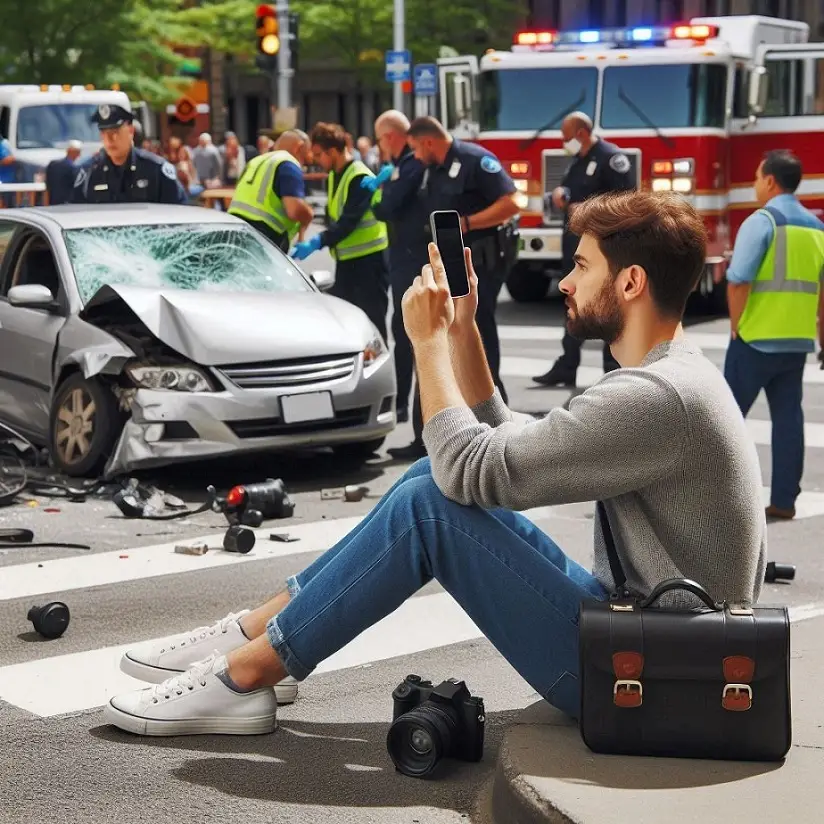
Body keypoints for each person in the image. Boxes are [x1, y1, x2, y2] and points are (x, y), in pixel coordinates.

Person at [103, 189, 766, 739]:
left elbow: (476, 472)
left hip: (652, 680)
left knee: (431, 501)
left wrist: (425, 346)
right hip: (647, 645)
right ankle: (256, 635)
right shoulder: (670, 379)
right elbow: (504, 451)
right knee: (426, 481)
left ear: (630, 282)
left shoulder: (657, 400)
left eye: (582, 266)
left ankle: (246, 674)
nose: (564, 281)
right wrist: (461, 330)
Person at [391, 115, 518, 460]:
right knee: (437, 340)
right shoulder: (431, 166)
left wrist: (467, 223)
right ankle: (425, 438)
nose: (414, 156)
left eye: (416, 148)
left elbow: (511, 203)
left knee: (476, 337)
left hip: (479, 264)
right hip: (446, 264)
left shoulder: (476, 160)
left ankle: (495, 422)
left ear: (429, 141)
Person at [724, 150, 824, 521]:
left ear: (770, 181)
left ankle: (713, 501)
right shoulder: (817, 228)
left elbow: (738, 282)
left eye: (755, 177)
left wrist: (737, 328)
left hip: (754, 339)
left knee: (724, 421)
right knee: (788, 421)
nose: (753, 184)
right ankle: (783, 500)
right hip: (796, 341)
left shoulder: (762, 221)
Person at [532, 112, 636, 387]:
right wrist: (563, 196)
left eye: (566, 138)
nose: (564, 143)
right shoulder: (579, 160)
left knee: (608, 305)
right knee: (574, 304)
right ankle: (567, 365)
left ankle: (613, 371)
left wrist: (588, 210)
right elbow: (574, 192)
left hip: (605, 249)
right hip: (578, 247)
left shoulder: (612, 159)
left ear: (580, 134)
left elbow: (627, 202)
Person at [291, 122, 390, 342]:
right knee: (348, 325)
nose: (316, 161)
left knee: (372, 326)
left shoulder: (358, 176)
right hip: (348, 262)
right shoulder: (336, 174)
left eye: (318, 155)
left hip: (369, 263)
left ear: (333, 151)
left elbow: (348, 222)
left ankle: (379, 375)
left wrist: (317, 241)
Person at [365, 109, 430, 424]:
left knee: (406, 333)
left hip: (411, 257)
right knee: (402, 332)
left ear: (390, 136)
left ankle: (407, 406)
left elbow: (385, 207)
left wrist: (377, 195)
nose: (379, 146)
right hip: (405, 255)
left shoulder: (409, 164)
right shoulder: (400, 165)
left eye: (379, 139)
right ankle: (405, 403)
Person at [71, 103, 186, 205]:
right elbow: (77, 215)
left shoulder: (155, 169)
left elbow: (178, 212)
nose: (110, 139)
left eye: (115, 132)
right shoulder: (89, 172)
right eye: (104, 133)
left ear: (131, 131)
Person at [228, 129, 314, 252]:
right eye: (305, 157)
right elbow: (295, 210)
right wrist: (308, 214)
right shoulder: (288, 163)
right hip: (265, 239)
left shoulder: (255, 161)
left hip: (234, 231)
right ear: (299, 147)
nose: (304, 164)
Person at [45, 140, 82, 205]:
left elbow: (48, 184)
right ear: (78, 154)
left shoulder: (52, 164)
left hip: (52, 202)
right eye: (78, 152)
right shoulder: (73, 168)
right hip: (67, 203)